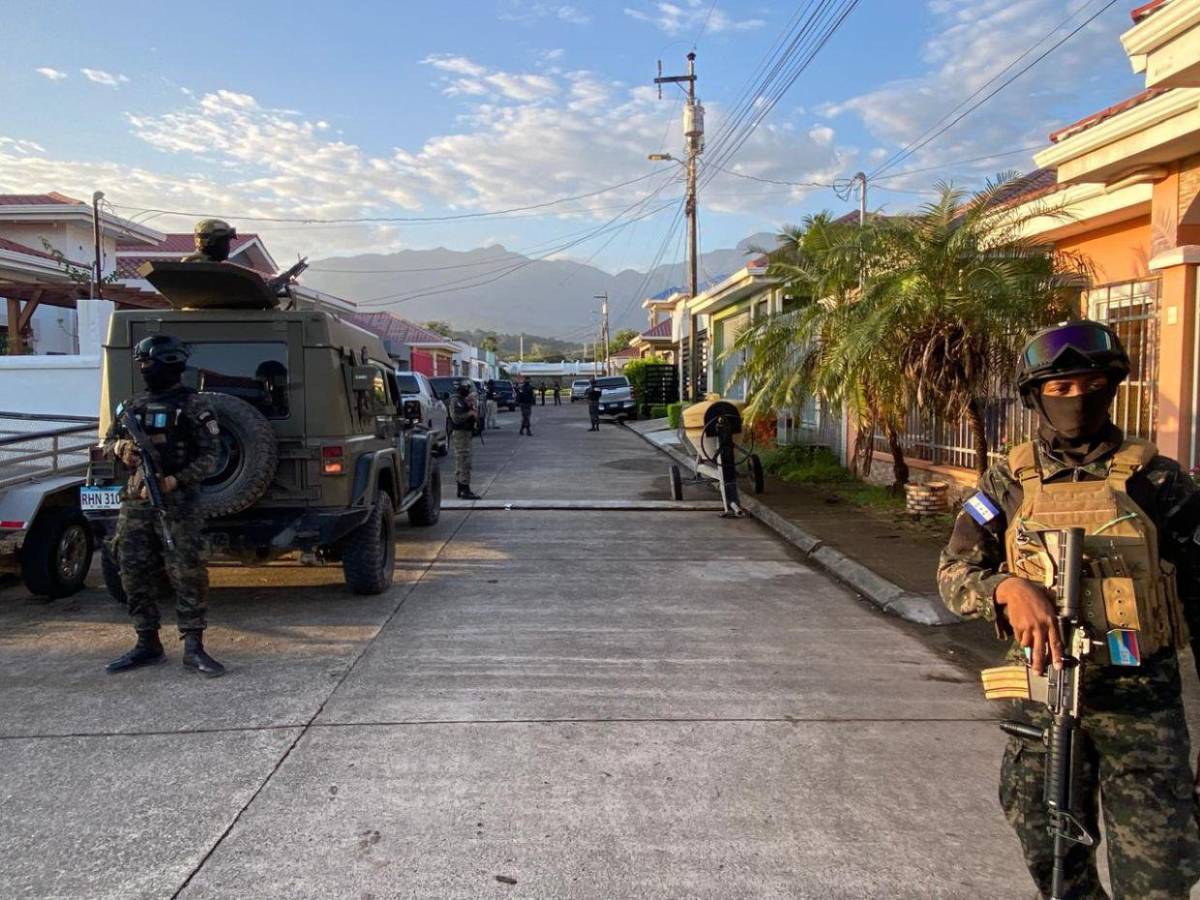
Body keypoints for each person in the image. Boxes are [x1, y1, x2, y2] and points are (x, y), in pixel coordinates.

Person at [937, 320, 1200, 899]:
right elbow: (954, 573)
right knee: (1049, 854)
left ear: (1111, 389)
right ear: (1037, 398)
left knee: (1159, 876)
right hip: (1044, 700)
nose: (1076, 399)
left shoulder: (1160, 481)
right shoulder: (1006, 481)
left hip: (1141, 707)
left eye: (1090, 385)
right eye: (1059, 388)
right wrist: (1006, 588)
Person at [104, 335, 224, 677]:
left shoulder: (194, 406)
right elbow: (108, 442)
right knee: (132, 570)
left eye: (149, 363)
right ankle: (147, 642)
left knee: (187, 572)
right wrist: (122, 449)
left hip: (179, 505)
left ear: (170, 364)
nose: (144, 369)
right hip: (136, 502)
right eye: (141, 364)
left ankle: (193, 647)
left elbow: (210, 456)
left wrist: (176, 480)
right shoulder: (132, 406)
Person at [448, 381, 481, 499]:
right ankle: (464, 489)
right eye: (466, 388)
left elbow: (475, 417)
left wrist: (472, 406)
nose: (468, 390)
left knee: (463, 461)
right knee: (464, 461)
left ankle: (461, 488)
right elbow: (456, 418)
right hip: (461, 434)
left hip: (466, 433)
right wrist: (469, 413)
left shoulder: (463, 400)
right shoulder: (456, 400)